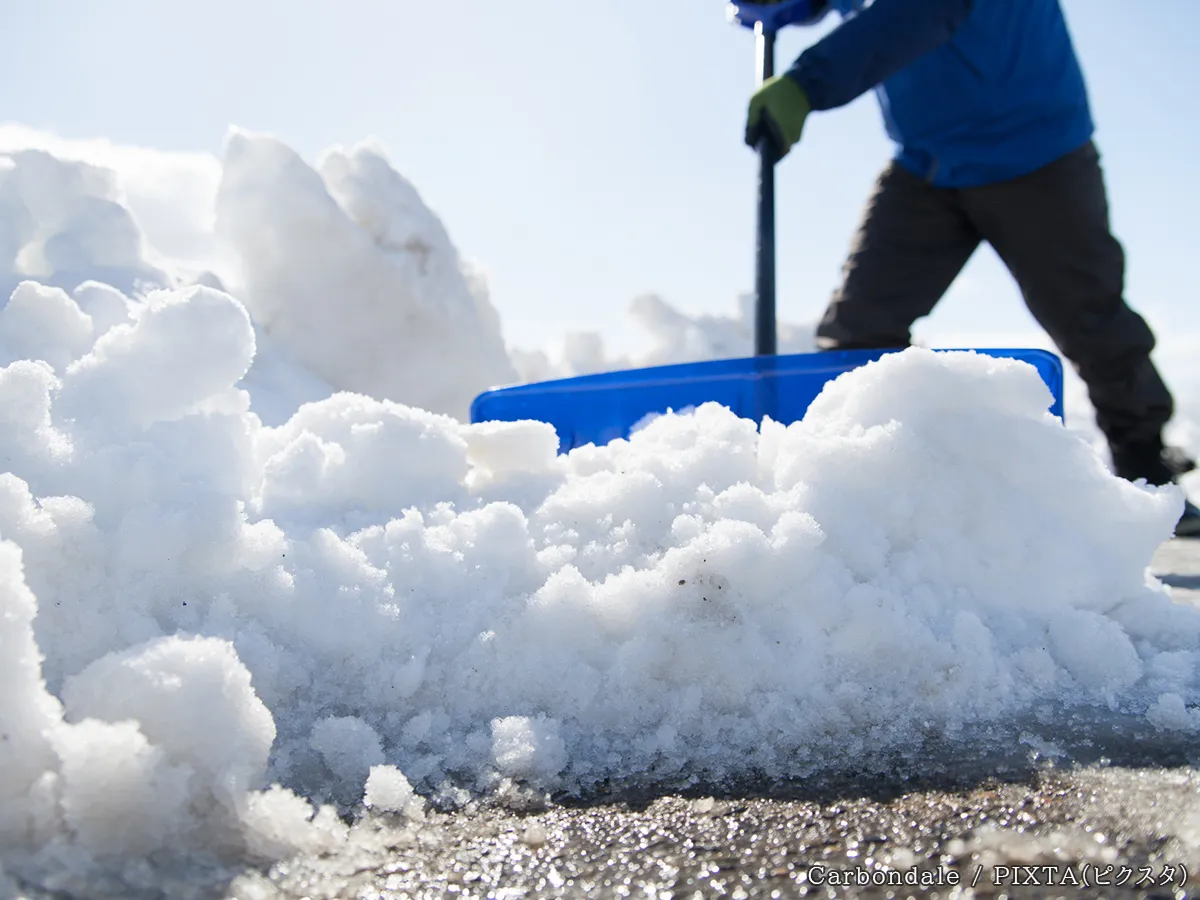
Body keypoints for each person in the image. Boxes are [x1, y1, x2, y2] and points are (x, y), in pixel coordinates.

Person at [743, 0, 1199, 538]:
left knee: (1090, 319)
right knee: (857, 330)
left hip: (1038, 150)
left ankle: (1144, 467)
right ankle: (859, 490)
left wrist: (806, 83)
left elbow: (926, 10)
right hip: (926, 163)